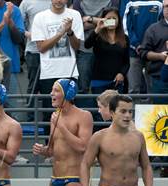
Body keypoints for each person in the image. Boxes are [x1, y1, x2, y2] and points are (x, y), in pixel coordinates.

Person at [31, 0, 84, 133]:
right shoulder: (40, 17)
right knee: (50, 115)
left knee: (70, 113)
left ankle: (70, 148)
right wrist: (61, 33)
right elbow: (41, 47)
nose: (59, 0)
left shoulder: (75, 15)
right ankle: (50, 149)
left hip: (70, 72)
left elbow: (77, 46)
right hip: (48, 74)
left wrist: (70, 31)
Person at [120, 0, 163, 101]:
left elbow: (161, 24)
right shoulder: (127, 1)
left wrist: (149, 47)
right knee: (133, 90)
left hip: (153, 53)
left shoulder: (160, 1)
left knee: (153, 89)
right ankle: (134, 116)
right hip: (133, 52)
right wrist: (136, 44)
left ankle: (153, 116)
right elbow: (125, 24)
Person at [72, 0, 118, 94]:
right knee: (83, 87)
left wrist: (89, 19)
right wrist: (102, 22)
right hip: (85, 49)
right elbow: (77, 24)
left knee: (107, 89)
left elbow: (113, 23)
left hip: (107, 49)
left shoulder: (113, 1)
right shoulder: (78, 1)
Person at [85, 7, 129, 95]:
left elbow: (126, 62)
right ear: (103, 19)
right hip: (99, 81)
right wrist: (97, 28)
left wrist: (121, 73)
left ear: (118, 20)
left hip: (116, 81)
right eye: (108, 19)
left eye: (114, 18)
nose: (111, 21)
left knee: (115, 107)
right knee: (100, 107)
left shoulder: (124, 38)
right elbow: (87, 45)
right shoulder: (98, 36)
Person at [19, 0, 50, 96]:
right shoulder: (26, 2)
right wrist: (28, 34)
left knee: (49, 86)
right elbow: (18, 24)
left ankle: (49, 111)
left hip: (52, 51)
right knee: (33, 85)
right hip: (33, 50)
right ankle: (31, 111)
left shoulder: (56, 1)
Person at [139, 0, 168, 103]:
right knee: (162, 115)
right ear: (162, 8)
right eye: (166, 6)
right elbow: (143, 52)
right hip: (160, 79)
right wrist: (160, 56)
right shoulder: (153, 29)